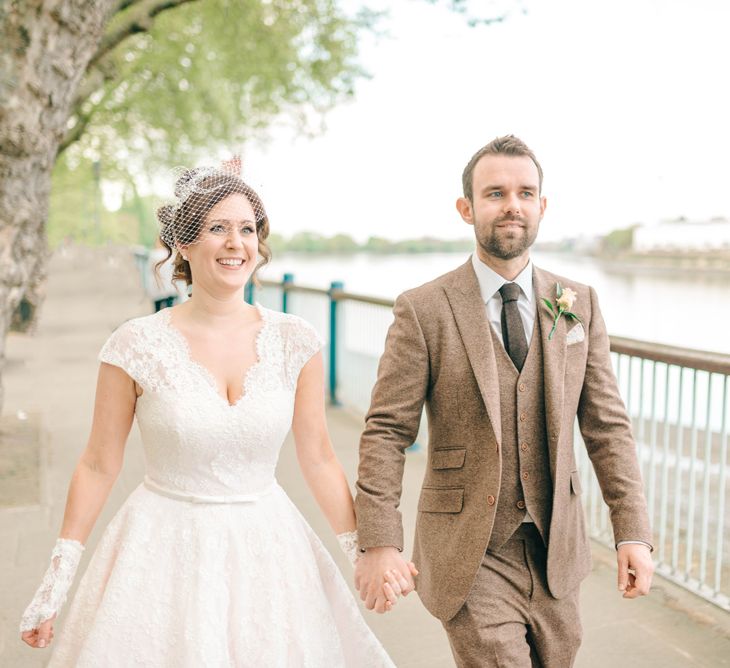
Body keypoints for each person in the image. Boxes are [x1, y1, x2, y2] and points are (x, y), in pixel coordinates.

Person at [19, 166, 404, 666]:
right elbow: (97, 465)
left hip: (269, 551)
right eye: (217, 227)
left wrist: (366, 555)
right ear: (183, 243)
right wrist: (56, 582)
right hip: (161, 551)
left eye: (247, 229)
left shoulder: (297, 341)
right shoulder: (135, 345)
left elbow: (320, 459)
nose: (235, 243)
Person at [354, 135, 654, 667]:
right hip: (470, 551)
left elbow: (607, 427)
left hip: (556, 550)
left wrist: (632, 532)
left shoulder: (579, 303)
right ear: (466, 208)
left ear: (542, 206)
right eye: (495, 193)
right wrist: (379, 540)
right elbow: (386, 431)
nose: (512, 204)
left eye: (525, 192)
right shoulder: (424, 309)